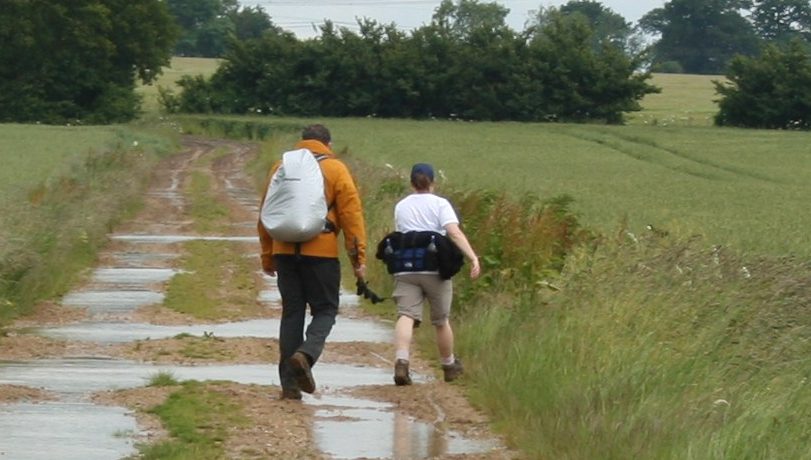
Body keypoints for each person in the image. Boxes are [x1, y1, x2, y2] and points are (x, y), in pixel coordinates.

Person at [258, 124, 367, 400]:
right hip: (321, 252)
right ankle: (305, 355)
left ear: (302, 142)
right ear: (327, 144)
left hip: (284, 250)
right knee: (326, 309)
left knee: (292, 312)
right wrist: (358, 258)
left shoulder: (280, 167)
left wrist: (268, 254)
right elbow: (351, 216)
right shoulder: (335, 169)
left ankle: (289, 386)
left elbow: (266, 212)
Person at [390, 163, 480, 386]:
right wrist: (473, 257)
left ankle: (401, 362)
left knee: (406, 315)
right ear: (432, 182)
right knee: (441, 320)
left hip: (406, 267)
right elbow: (453, 233)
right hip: (434, 269)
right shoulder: (441, 204)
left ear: (411, 183)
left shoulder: (401, 206)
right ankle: (449, 365)